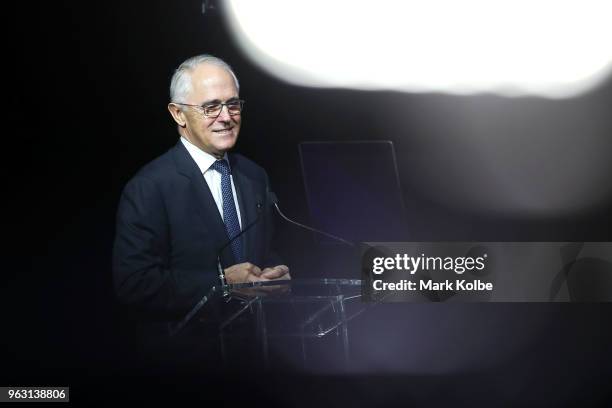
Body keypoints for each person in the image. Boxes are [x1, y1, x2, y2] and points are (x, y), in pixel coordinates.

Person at [112, 54, 290, 315]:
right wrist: (222, 284)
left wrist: (275, 273)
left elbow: (259, 252)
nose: (226, 117)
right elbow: (134, 284)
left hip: (256, 346)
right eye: (211, 107)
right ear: (178, 114)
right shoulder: (150, 187)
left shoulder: (254, 175)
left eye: (233, 104)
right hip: (190, 350)